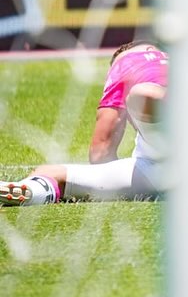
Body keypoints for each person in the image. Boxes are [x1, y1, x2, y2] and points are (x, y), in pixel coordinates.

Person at [0, 40, 168, 206]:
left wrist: (107, 177)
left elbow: (100, 152)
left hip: (154, 169)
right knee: (144, 95)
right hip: (163, 162)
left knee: (141, 94)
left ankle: (31, 189)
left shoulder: (125, 61)